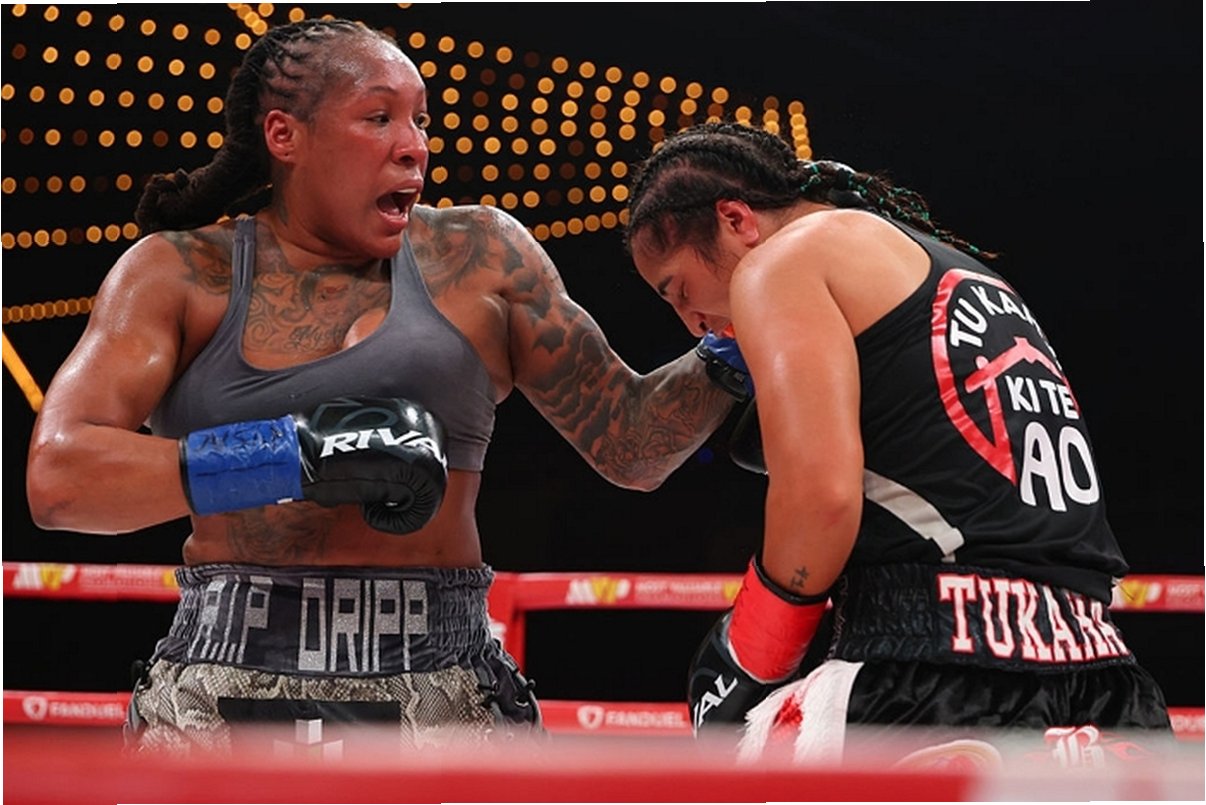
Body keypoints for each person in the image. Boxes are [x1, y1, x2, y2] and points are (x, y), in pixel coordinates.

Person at [24, 19, 738, 754]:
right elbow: (59, 477)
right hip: (222, 681)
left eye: (420, 121)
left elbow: (630, 444)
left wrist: (744, 329)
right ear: (284, 135)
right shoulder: (179, 272)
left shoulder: (479, 257)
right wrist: (297, 455)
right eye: (378, 117)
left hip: (440, 683)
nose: (414, 145)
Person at [622, 122, 1173, 763]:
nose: (693, 323)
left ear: (736, 219)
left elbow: (822, 500)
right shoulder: (961, 273)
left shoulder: (780, 263)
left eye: (680, 290)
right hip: (1103, 674)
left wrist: (751, 651)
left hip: (935, 669)